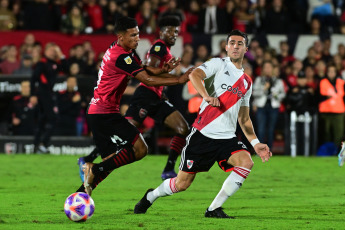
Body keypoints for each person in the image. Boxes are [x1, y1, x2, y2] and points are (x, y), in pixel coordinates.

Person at [133, 29, 272, 218]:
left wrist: (256, 144)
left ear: (246, 48)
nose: (235, 46)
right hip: (203, 135)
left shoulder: (247, 82)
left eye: (240, 43)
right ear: (226, 46)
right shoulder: (217, 63)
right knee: (181, 184)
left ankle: (213, 209)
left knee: (246, 162)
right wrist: (206, 96)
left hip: (227, 139)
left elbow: (244, 118)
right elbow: (195, 75)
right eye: (232, 42)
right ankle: (151, 195)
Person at [78, 16, 192, 196]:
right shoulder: (122, 56)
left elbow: (145, 70)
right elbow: (146, 79)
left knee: (110, 162)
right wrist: (179, 79)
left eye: (138, 34)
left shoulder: (120, 50)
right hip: (104, 113)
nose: (137, 38)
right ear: (121, 37)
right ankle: (92, 167)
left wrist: (163, 70)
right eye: (132, 35)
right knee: (139, 149)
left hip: (98, 112)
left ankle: (79, 196)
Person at [30, 43, 67, 153]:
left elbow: (66, 68)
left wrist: (60, 53)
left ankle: (36, 145)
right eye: (51, 50)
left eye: (54, 51)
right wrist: (33, 94)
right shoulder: (42, 63)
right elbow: (33, 79)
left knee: (42, 120)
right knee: (54, 118)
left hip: (49, 93)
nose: (53, 52)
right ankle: (43, 144)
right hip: (43, 94)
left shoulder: (54, 63)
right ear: (45, 51)